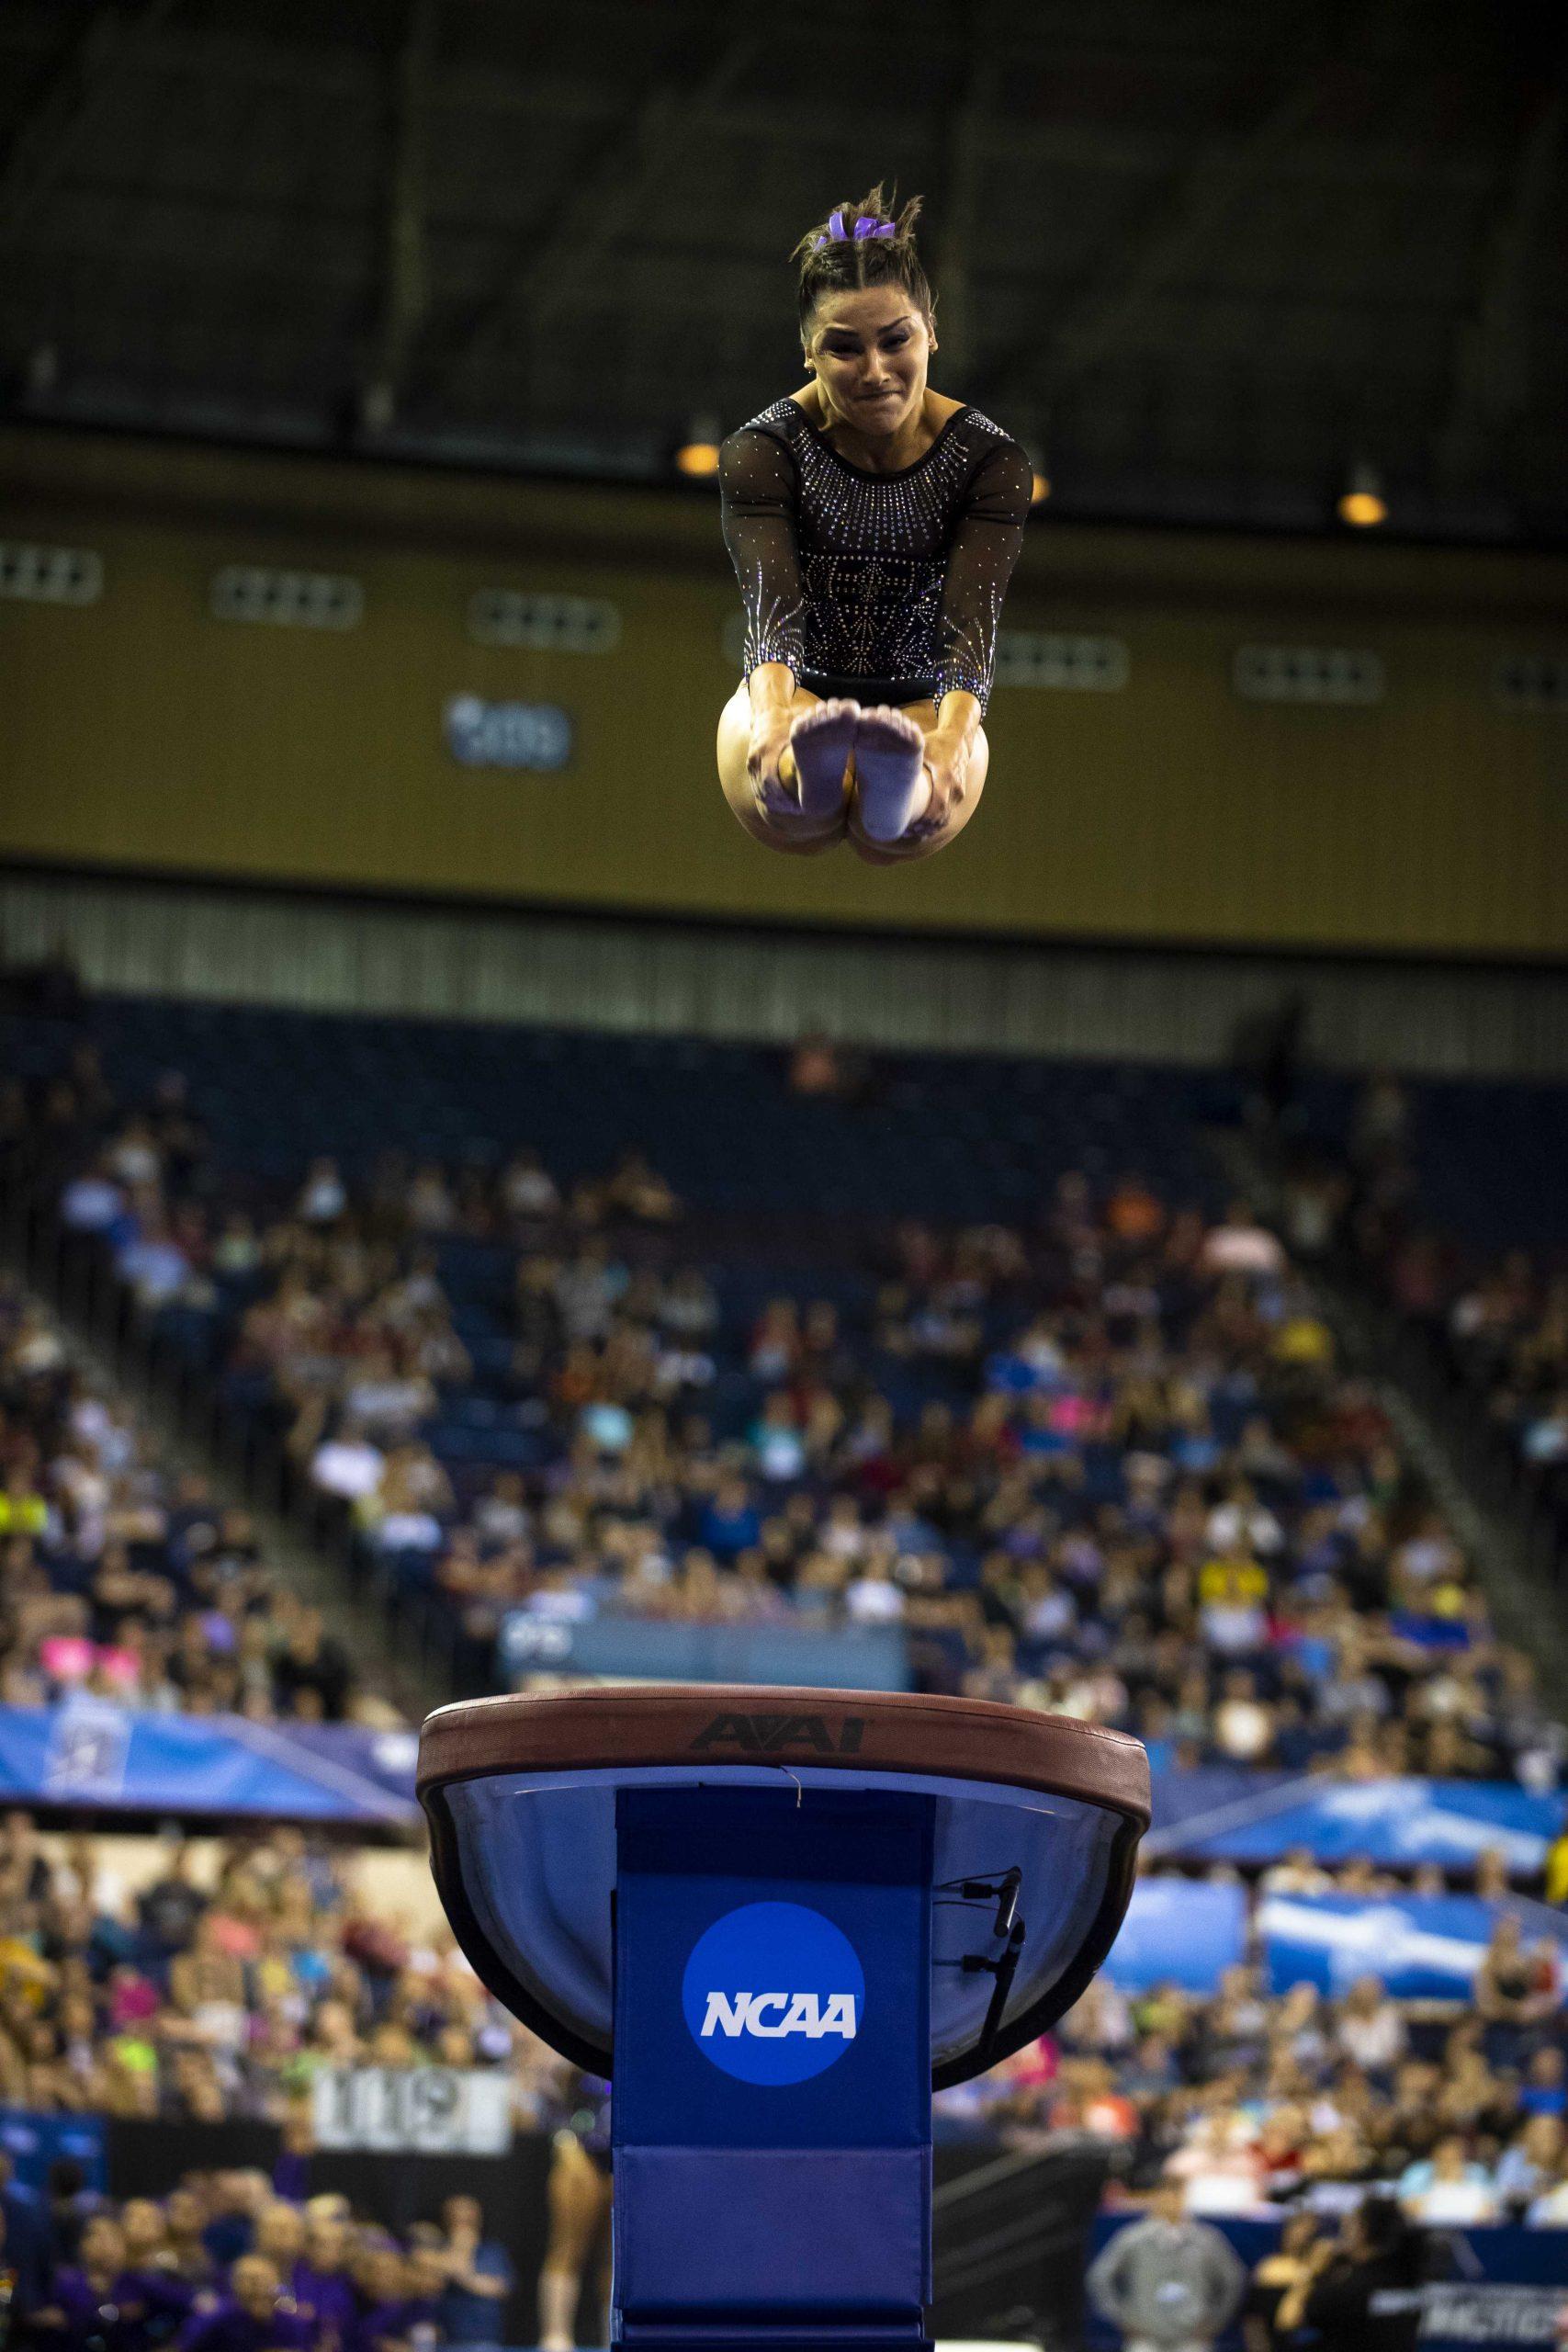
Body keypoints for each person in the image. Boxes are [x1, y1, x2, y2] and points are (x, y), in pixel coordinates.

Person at [716, 183, 1032, 864]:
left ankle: (897, 790)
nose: (875, 371)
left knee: (914, 814)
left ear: (931, 332)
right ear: (806, 350)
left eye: (895, 341)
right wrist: (772, 718)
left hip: (925, 697)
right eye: (843, 348)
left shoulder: (988, 461)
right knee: (784, 794)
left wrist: (950, 740)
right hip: (795, 681)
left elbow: (968, 625)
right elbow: (775, 613)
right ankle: (812, 775)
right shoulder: (764, 451)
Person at [1086, 2174, 1246, 2351]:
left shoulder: (1206, 2239)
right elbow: (1100, 2277)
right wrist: (1123, 2318)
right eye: (1165, 2195)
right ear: (1155, 2197)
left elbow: (1232, 2279)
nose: (1171, 2201)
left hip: (1192, 2334)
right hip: (1146, 2333)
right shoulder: (1133, 2238)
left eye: (1177, 2195)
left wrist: (1215, 2321)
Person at [1276, 2196, 1424, 2352]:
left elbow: (1288, 2319)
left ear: (1362, 2231)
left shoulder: (1346, 2291)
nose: (1342, 2232)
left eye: (1349, 2224)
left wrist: (1311, 2270)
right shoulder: (1409, 2278)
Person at [537, 2073, 613, 2352]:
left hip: (623, 2149)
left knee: (617, 2256)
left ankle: (613, 2335)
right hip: (579, 2148)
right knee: (567, 2246)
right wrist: (565, 2143)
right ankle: (556, 2335)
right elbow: (554, 2095)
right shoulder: (584, 2037)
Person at [434, 2198, 512, 2350]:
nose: (463, 2220)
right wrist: (460, 2251)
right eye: (457, 2216)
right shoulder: (435, 2249)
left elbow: (499, 2288)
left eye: (469, 2216)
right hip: (444, 2342)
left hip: (485, 2341)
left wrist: (460, 2273)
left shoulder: (492, 2251)